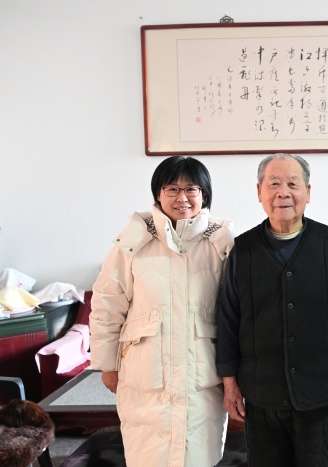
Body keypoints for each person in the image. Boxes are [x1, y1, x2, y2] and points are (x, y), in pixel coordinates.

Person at [215, 153, 328, 467]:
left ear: (308, 193)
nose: (283, 193)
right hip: (262, 394)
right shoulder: (243, 251)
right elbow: (228, 319)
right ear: (259, 192)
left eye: (292, 184)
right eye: (273, 184)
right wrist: (229, 382)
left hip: (321, 392)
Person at [90, 156, 234, 467]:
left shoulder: (221, 242)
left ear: (204, 194)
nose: (182, 198)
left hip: (201, 377)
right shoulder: (134, 240)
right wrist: (107, 363)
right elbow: (107, 302)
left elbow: (237, 312)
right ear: (158, 193)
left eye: (191, 189)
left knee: (198, 456)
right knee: (148, 456)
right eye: (172, 189)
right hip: (146, 376)